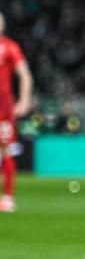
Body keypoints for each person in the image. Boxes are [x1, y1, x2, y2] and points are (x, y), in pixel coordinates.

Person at [0, 13, 33, 213]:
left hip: (2, 107)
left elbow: (25, 74)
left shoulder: (10, 47)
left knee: (6, 149)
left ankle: (8, 197)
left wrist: (24, 100)